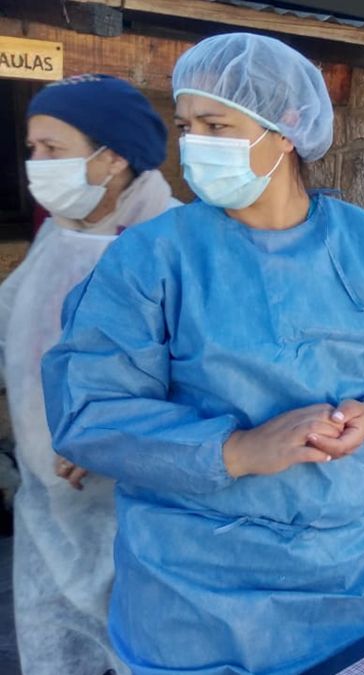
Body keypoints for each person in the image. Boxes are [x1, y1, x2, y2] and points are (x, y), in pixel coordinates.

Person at [41, 34, 364, 673]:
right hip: (191, 593)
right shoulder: (151, 258)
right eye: (185, 127)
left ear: (287, 127)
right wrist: (237, 451)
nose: (195, 145)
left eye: (216, 126)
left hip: (342, 574)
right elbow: (90, 412)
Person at [2, 73, 176, 675]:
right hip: (49, 507)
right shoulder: (57, 234)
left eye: (54, 148)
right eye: (33, 148)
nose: (37, 162)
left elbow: (212, 379)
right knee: (56, 648)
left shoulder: (174, 241)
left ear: (113, 156)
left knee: (150, 649)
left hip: (142, 506)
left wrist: (112, 436)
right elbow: (17, 329)